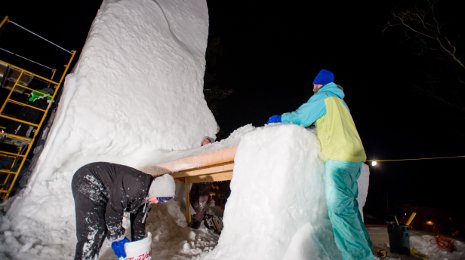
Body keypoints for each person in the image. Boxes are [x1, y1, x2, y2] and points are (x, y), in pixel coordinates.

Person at [267, 69, 374, 259]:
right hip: (354, 159)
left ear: (320, 84)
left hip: (339, 159)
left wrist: (280, 118)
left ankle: (359, 257)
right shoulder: (340, 102)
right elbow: (324, 123)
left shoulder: (324, 97)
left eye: (314, 85)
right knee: (350, 210)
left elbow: (301, 116)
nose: (313, 88)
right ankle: (366, 252)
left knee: (340, 211)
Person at [71, 162, 175, 260]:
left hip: (102, 189)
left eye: (161, 201)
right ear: (156, 190)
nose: (157, 202)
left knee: (100, 230)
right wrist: (118, 238)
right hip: (88, 179)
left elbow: (138, 222)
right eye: (159, 199)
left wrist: (139, 247)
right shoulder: (136, 185)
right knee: (93, 231)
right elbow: (113, 212)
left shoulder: (147, 196)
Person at [189, 136, 214, 229]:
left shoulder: (212, 150)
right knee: (192, 196)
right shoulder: (199, 152)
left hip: (206, 177)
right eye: (204, 141)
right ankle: (200, 213)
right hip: (197, 177)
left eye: (208, 141)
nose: (206, 142)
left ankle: (198, 221)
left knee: (202, 201)